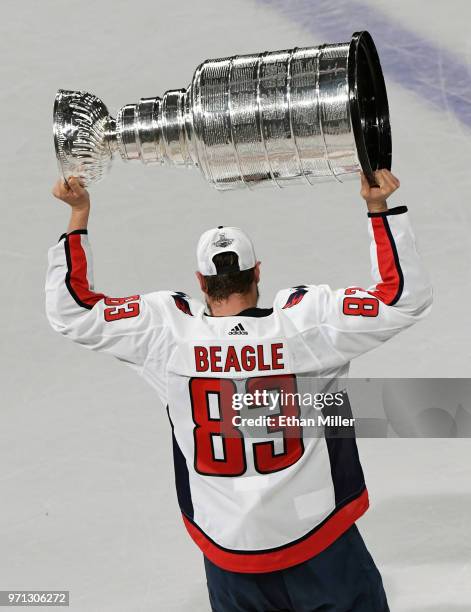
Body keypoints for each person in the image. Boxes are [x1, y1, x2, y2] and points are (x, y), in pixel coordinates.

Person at [46, 170, 432, 612]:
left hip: (230, 553)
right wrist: (378, 207)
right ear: (257, 273)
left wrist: (78, 215)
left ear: (201, 281)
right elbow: (404, 298)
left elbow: (71, 313)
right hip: (319, 539)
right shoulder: (305, 324)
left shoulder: (168, 334)